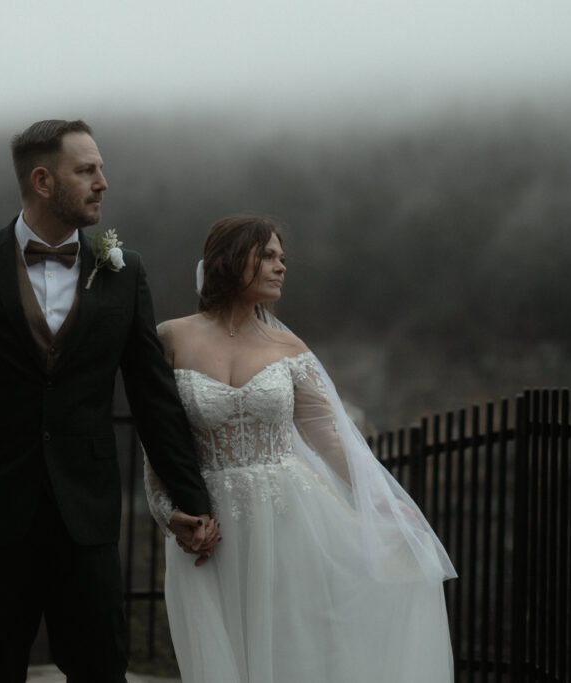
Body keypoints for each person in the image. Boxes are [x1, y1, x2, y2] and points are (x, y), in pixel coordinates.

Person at [0, 119, 216, 683]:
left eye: (101, 168)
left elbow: (153, 397)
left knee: (103, 664)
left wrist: (191, 496)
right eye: (87, 170)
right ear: (42, 180)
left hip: (86, 508)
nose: (103, 182)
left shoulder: (124, 273)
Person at [145, 215, 457, 682]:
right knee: (218, 652)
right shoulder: (171, 337)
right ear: (232, 259)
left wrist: (383, 504)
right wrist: (170, 514)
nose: (280, 267)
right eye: (267, 255)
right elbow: (159, 440)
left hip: (291, 519)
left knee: (295, 646)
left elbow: (329, 437)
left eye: (282, 258)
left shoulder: (288, 348)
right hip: (208, 525)